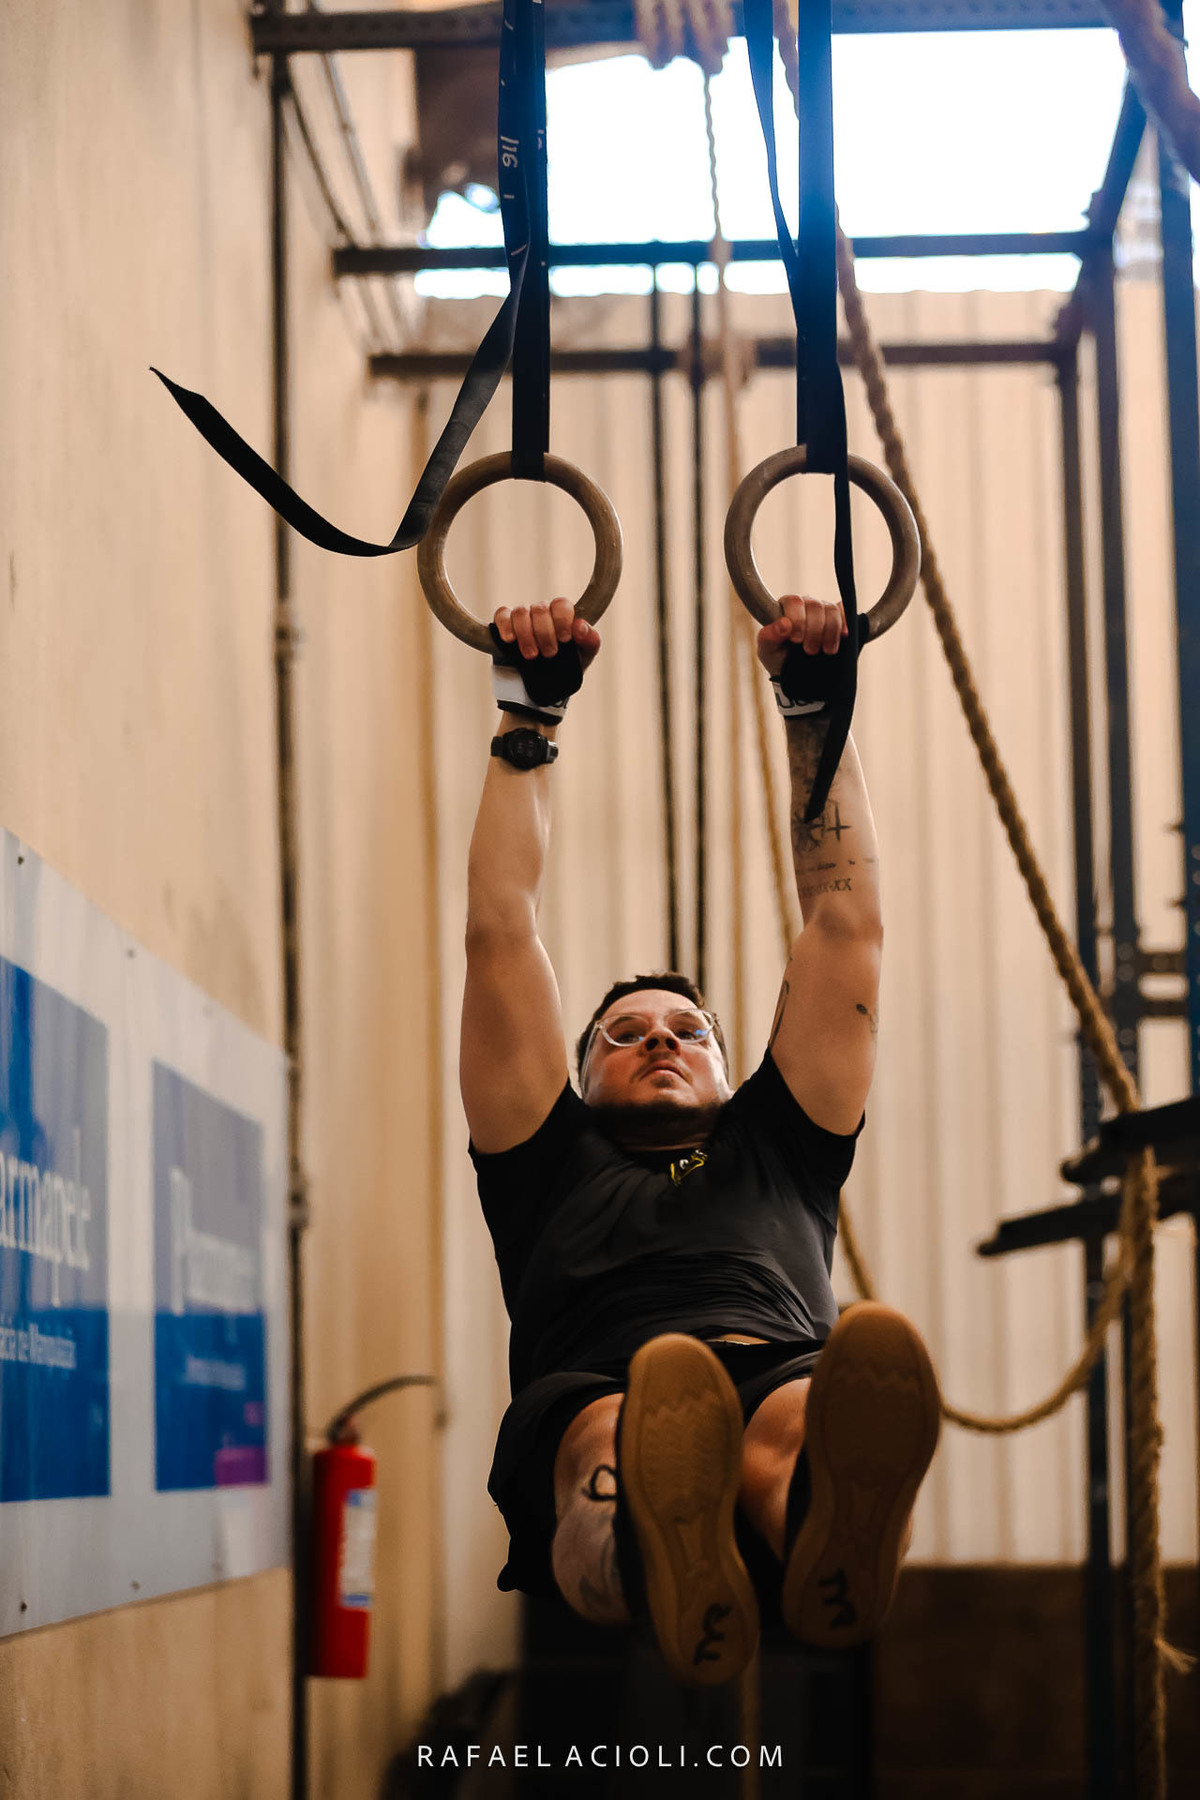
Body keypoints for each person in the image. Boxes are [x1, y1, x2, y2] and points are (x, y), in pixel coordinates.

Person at [460, 591, 940, 1687]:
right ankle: (643, 1554)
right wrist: (528, 713)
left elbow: (846, 923)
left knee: (799, 1421)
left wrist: (814, 707)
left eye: (688, 1031)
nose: (660, 1041)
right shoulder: (541, 1159)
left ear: (729, 1073)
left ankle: (818, 1524)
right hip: (598, 1389)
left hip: (775, 1368)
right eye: (625, 1034)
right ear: (579, 1077)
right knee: (613, 1435)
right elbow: (499, 931)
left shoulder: (784, 1142)